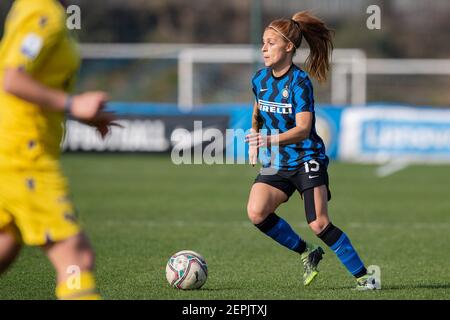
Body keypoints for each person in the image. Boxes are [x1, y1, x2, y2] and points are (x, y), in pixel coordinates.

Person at [245, 11, 376, 290]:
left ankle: (366, 278)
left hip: (307, 157)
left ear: (288, 47)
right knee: (257, 212)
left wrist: (267, 141)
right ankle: (307, 252)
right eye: (263, 42)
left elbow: (303, 129)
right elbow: (258, 109)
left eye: (270, 43)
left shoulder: (299, 83)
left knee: (318, 222)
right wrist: (255, 134)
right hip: (279, 161)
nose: (264, 48)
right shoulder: (259, 79)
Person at [0, 0, 116, 299]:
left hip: (10, 150)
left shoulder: (36, 8)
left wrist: (77, 111)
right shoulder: (42, 12)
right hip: (23, 156)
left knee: (6, 244)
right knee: (76, 259)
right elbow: (12, 78)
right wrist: (72, 104)